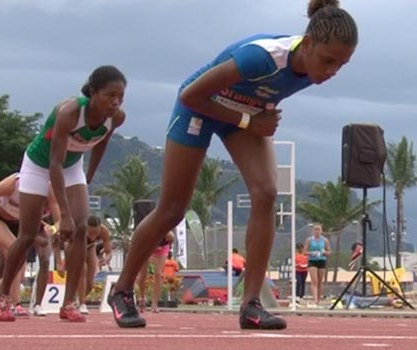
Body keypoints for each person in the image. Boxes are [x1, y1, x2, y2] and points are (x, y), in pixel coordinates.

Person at [108, 0, 357, 329]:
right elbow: (190, 95)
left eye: (341, 65)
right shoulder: (261, 56)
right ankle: (122, 290)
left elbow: (265, 95)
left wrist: (251, 118)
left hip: (244, 115)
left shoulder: (313, 69)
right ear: (308, 43)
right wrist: (248, 122)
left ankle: (251, 304)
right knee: (172, 209)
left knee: (267, 192)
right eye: (327, 61)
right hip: (199, 107)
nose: (330, 72)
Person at [0, 65, 127, 322]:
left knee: (80, 230)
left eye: (120, 97)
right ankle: (3, 299)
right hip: (40, 165)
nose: (116, 102)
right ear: (93, 93)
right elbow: (54, 163)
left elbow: (101, 145)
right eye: (110, 95)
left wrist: (87, 178)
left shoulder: (116, 118)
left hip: (72, 165)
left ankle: (69, 303)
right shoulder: (68, 112)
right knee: (27, 234)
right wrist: (62, 215)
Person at [0, 172, 62, 318]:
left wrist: (53, 229)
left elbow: (60, 221)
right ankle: (13, 303)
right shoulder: (13, 184)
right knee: (15, 251)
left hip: (20, 224)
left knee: (17, 262)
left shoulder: (50, 191)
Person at [61, 215, 112, 314]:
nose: (93, 236)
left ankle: (75, 301)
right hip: (75, 247)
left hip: (90, 247)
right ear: (86, 228)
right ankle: (82, 304)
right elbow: (67, 245)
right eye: (90, 233)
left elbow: (109, 252)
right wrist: (64, 262)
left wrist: (106, 258)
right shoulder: (78, 230)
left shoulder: (104, 231)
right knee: (82, 269)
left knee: (90, 283)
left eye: (95, 233)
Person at [137, 230, 174, 313]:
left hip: (162, 247)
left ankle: (155, 303)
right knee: (143, 274)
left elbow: (171, 238)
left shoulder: (168, 234)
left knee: (158, 273)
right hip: (146, 246)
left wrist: (169, 238)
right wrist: (150, 257)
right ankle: (142, 298)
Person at [304, 223, 331, 305]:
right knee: (314, 280)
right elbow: (304, 252)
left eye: (319, 229)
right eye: (315, 229)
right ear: (313, 231)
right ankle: (315, 299)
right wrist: (312, 253)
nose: (317, 231)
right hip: (312, 261)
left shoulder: (325, 240)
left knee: (320, 281)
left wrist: (324, 252)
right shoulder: (309, 240)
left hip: (321, 260)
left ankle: (319, 299)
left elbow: (329, 252)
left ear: (321, 231)